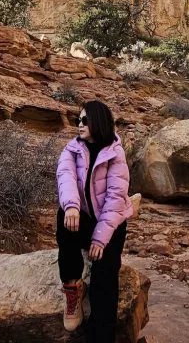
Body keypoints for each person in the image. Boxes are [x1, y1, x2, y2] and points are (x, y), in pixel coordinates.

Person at [55, 100, 133, 342]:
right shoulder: (71, 149)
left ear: (98, 122)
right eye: (79, 120)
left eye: (85, 121)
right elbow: (65, 177)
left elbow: (114, 199)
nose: (80, 125)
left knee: (105, 278)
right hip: (84, 217)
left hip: (111, 224)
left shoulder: (115, 154)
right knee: (63, 217)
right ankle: (73, 287)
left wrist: (100, 239)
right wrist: (71, 207)